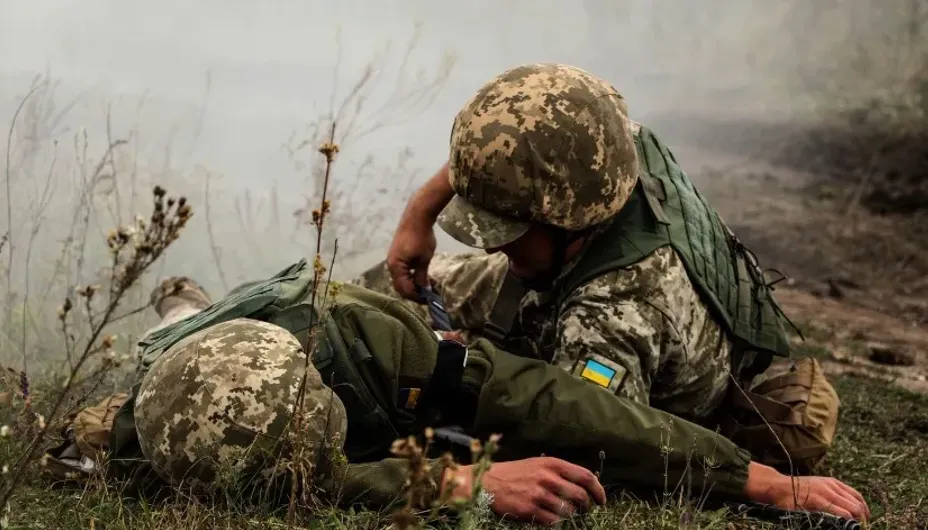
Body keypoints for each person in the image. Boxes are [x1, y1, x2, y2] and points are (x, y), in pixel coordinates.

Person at [50, 262, 869, 526]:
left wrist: (756, 478)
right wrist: (458, 483)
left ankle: (188, 295)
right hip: (188, 361)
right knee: (170, 333)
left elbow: (561, 405)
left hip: (330, 323)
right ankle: (181, 300)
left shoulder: (381, 345)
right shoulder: (143, 437)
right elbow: (312, 482)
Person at [353, 62, 840, 474]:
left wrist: (459, 373)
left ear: (565, 216)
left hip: (625, 349)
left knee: (403, 359)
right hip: (568, 270)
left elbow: (580, 442)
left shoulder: (613, 314)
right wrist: (421, 214)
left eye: (510, 232)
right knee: (376, 296)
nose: (496, 249)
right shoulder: (602, 147)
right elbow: (508, 149)